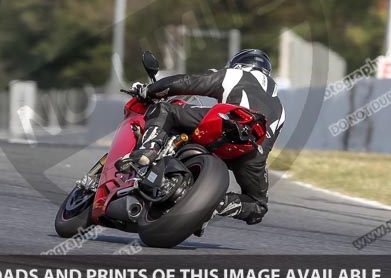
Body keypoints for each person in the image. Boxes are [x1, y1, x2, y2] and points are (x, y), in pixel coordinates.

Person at [115, 49, 285, 226]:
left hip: (226, 123)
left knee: (164, 110)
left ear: (239, 64)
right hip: (252, 151)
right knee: (258, 206)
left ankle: (148, 150)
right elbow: (267, 145)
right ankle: (216, 204)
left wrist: (149, 90)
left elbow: (190, 83)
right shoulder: (280, 107)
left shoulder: (236, 74)